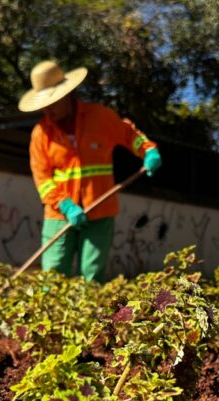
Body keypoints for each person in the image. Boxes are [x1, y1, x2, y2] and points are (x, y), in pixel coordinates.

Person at [18, 60, 162, 282]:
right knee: (53, 275)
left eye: (53, 102)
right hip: (59, 215)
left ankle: (91, 306)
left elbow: (129, 135)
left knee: (92, 275)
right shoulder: (41, 134)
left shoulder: (100, 117)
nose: (48, 109)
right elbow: (43, 179)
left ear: (68, 95)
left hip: (100, 210)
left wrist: (148, 151)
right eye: (44, 105)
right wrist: (65, 205)